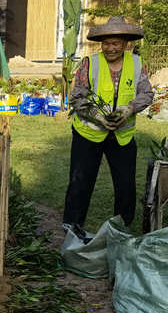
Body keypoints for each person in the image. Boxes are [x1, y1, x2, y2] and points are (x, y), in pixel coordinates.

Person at [63, 15, 153, 234]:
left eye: (115, 43)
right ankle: (71, 226)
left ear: (125, 44)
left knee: (125, 185)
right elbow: (77, 97)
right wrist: (98, 116)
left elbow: (147, 93)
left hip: (122, 135)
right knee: (80, 181)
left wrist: (129, 109)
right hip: (89, 132)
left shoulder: (136, 63)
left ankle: (121, 228)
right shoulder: (89, 64)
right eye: (106, 43)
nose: (110, 48)